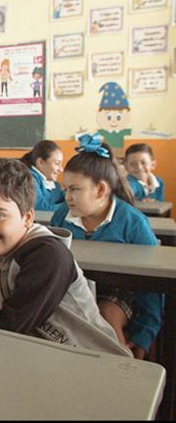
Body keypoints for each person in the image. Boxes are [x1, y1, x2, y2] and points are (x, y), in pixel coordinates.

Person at [0, 157, 131, 357]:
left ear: (27, 217)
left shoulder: (48, 255)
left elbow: (11, 326)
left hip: (93, 365)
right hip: (34, 359)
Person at [51, 134, 160, 359]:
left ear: (100, 190)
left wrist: (144, 334)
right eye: (66, 189)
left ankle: (124, 371)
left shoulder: (133, 222)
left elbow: (153, 285)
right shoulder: (62, 217)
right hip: (75, 291)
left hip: (121, 295)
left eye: (74, 189)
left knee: (106, 313)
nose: (67, 196)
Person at [20, 140, 65, 211]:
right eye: (57, 163)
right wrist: (73, 207)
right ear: (40, 163)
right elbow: (42, 209)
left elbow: (57, 197)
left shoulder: (51, 183)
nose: (61, 169)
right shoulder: (29, 179)